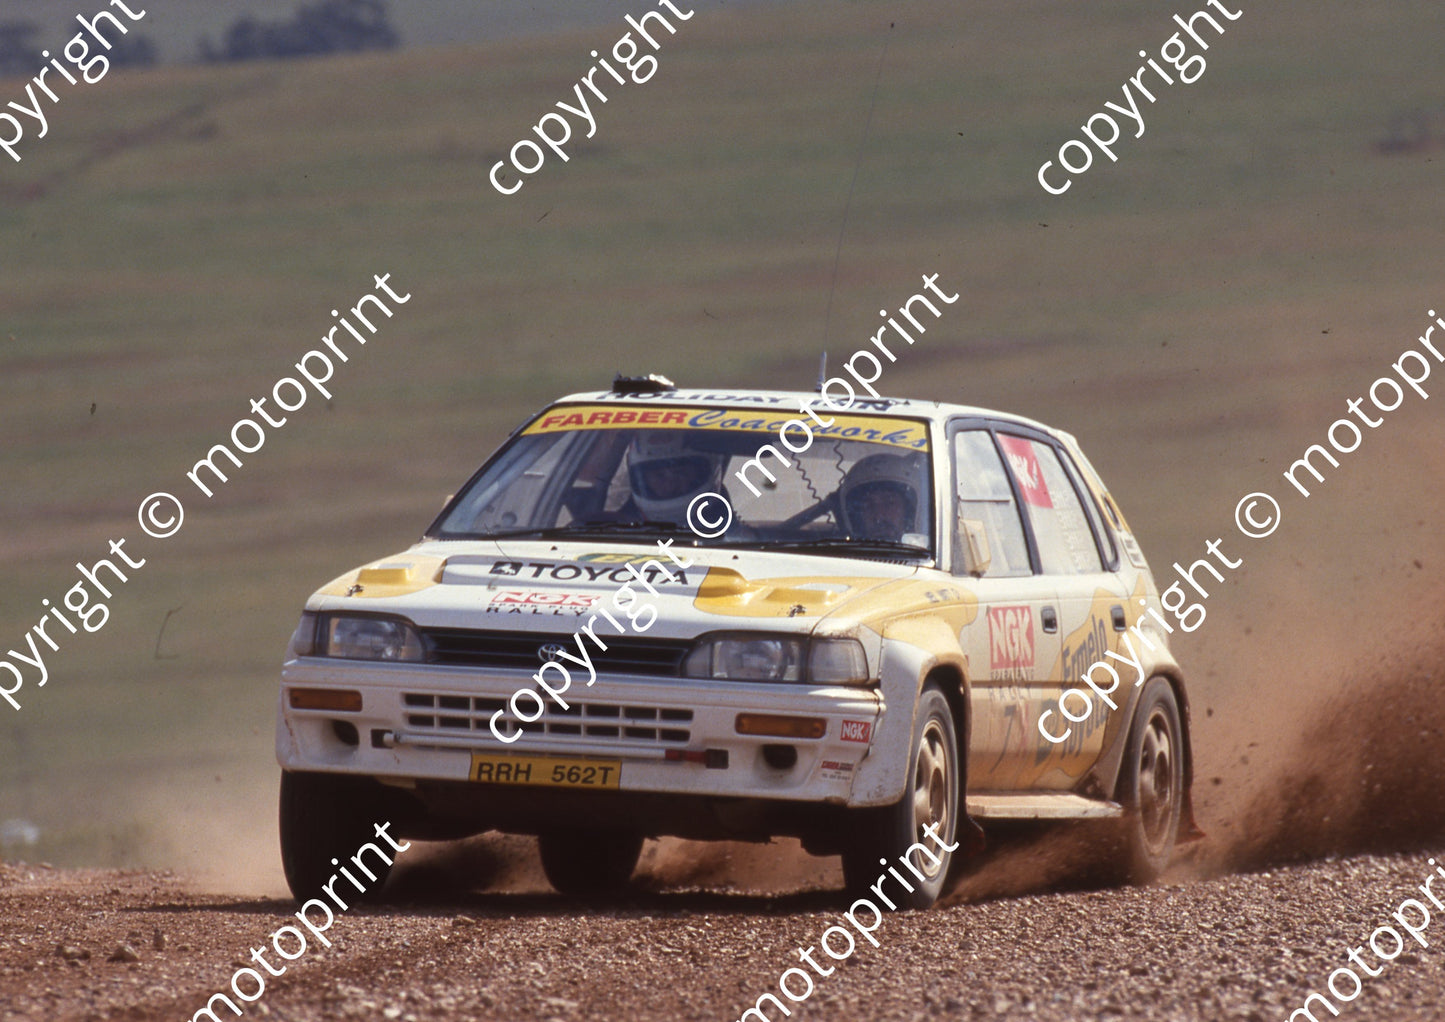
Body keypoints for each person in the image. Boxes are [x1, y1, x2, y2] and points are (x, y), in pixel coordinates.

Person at [625, 432, 727, 524]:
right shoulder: (615, 531)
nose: (670, 485)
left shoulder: (734, 539)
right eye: (659, 475)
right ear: (643, 480)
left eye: (680, 472)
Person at [839, 452, 925, 541]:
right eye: (868, 506)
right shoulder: (837, 554)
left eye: (889, 503)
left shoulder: (937, 550)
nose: (879, 516)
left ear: (909, 510)